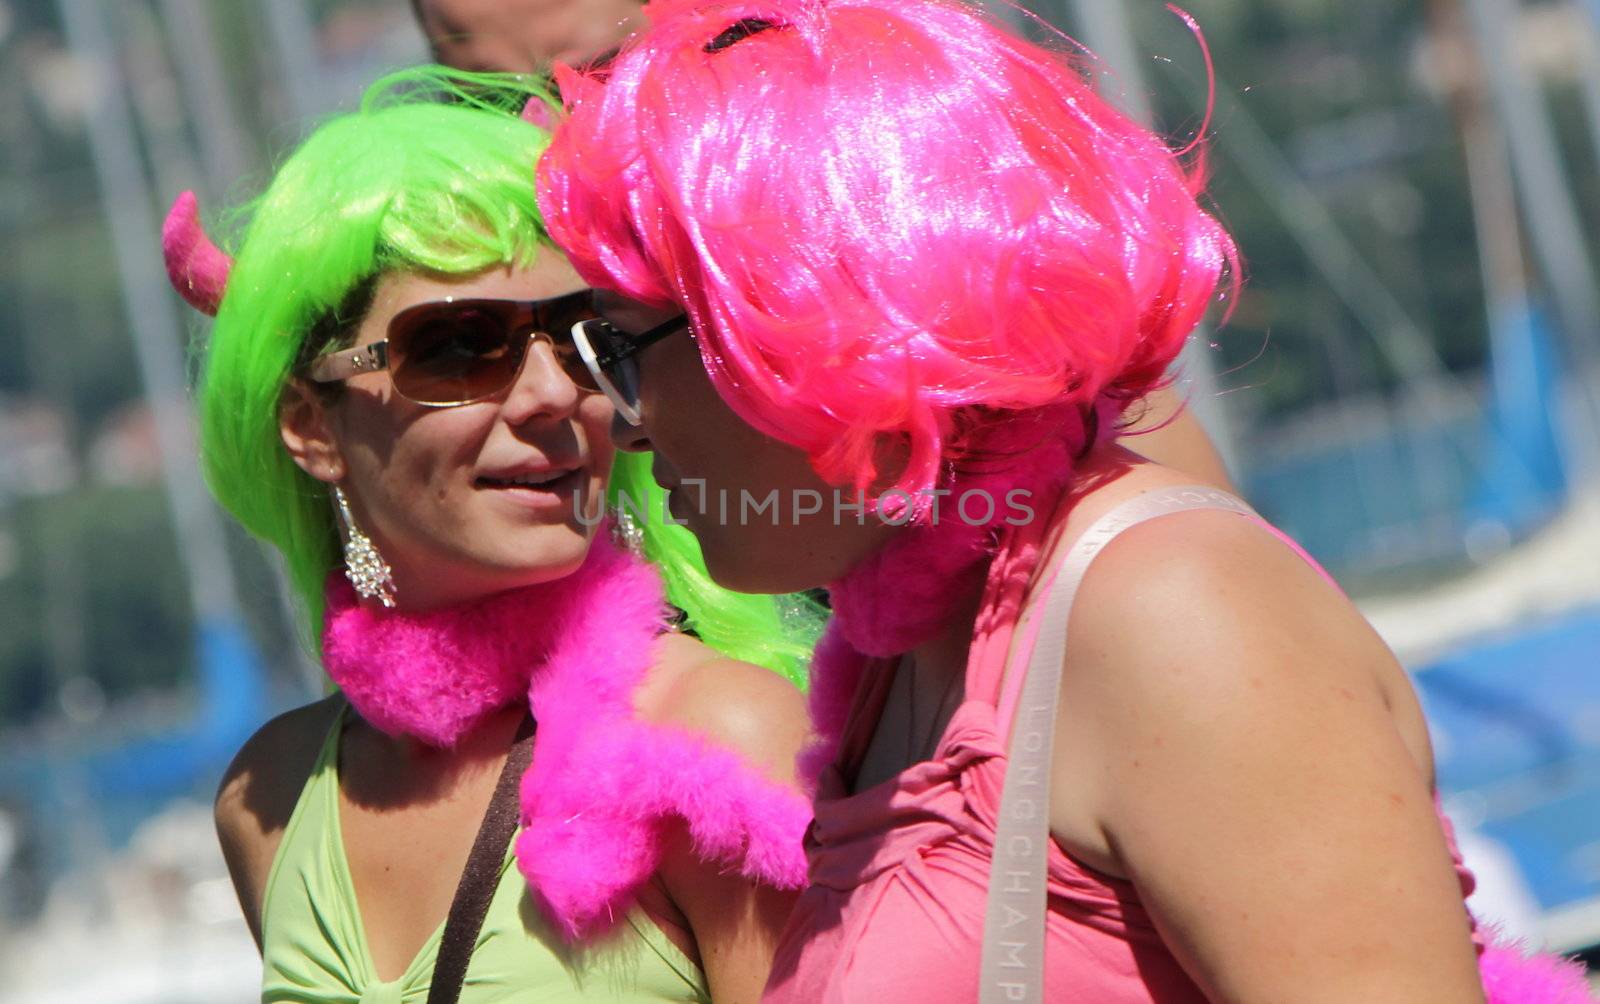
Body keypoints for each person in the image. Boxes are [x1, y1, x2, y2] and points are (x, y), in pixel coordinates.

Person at [534, 1, 1594, 1000]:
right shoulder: (904, 656)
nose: (618, 419)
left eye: (624, 346)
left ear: (799, 321)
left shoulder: (1160, 606)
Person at [171, 73, 817, 1003]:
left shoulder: (715, 740)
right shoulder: (266, 799)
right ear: (313, 426)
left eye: (580, 336)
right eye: (459, 346)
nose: (554, 394)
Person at [408, 0, 1236, 492]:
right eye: (491, 102)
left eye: (610, 72)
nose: (553, 138)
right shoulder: (489, 363)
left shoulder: (995, 360)